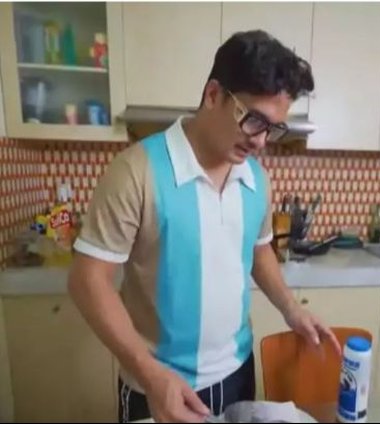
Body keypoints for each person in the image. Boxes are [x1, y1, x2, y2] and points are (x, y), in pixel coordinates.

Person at [68, 30, 341, 424]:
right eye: (254, 120)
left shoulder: (256, 179)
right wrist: (149, 374)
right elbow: (86, 279)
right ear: (213, 95)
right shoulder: (136, 171)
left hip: (237, 371)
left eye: (274, 128)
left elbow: (258, 249)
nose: (262, 141)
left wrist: (291, 309)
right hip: (158, 382)